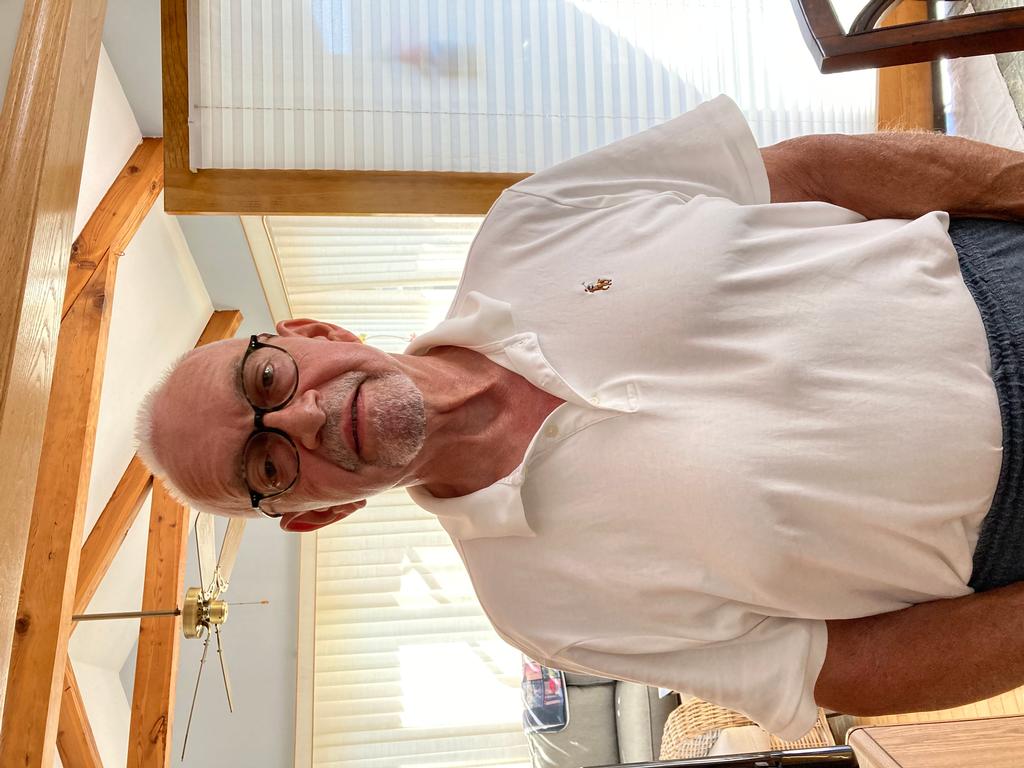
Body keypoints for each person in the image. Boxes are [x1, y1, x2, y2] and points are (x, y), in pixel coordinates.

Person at [137, 96, 1024, 739]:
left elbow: (810, 170)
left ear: (312, 333)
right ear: (317, 512)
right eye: (265, 468)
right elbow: (845, 667)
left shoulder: (531, 222)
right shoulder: (537, 610)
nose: (299, 418)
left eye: (265, 379)